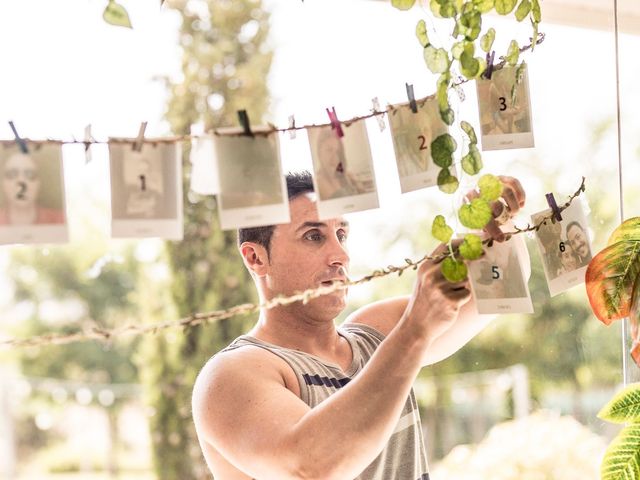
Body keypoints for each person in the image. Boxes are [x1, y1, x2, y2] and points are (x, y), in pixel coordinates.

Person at [191, 171, 526, 480]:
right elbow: (311, 467)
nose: (340, 255)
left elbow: (502, 291)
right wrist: (414, 330)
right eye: (313, 236)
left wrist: (500, 225)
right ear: (255, 257)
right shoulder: (231, 375)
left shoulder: (373, 334)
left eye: (341, 234)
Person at [0, 151, 65, 225]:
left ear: (38, 183)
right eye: (12, 174)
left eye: (29, 175)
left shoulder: (62, 220)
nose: (21, 182)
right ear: (3, 183)